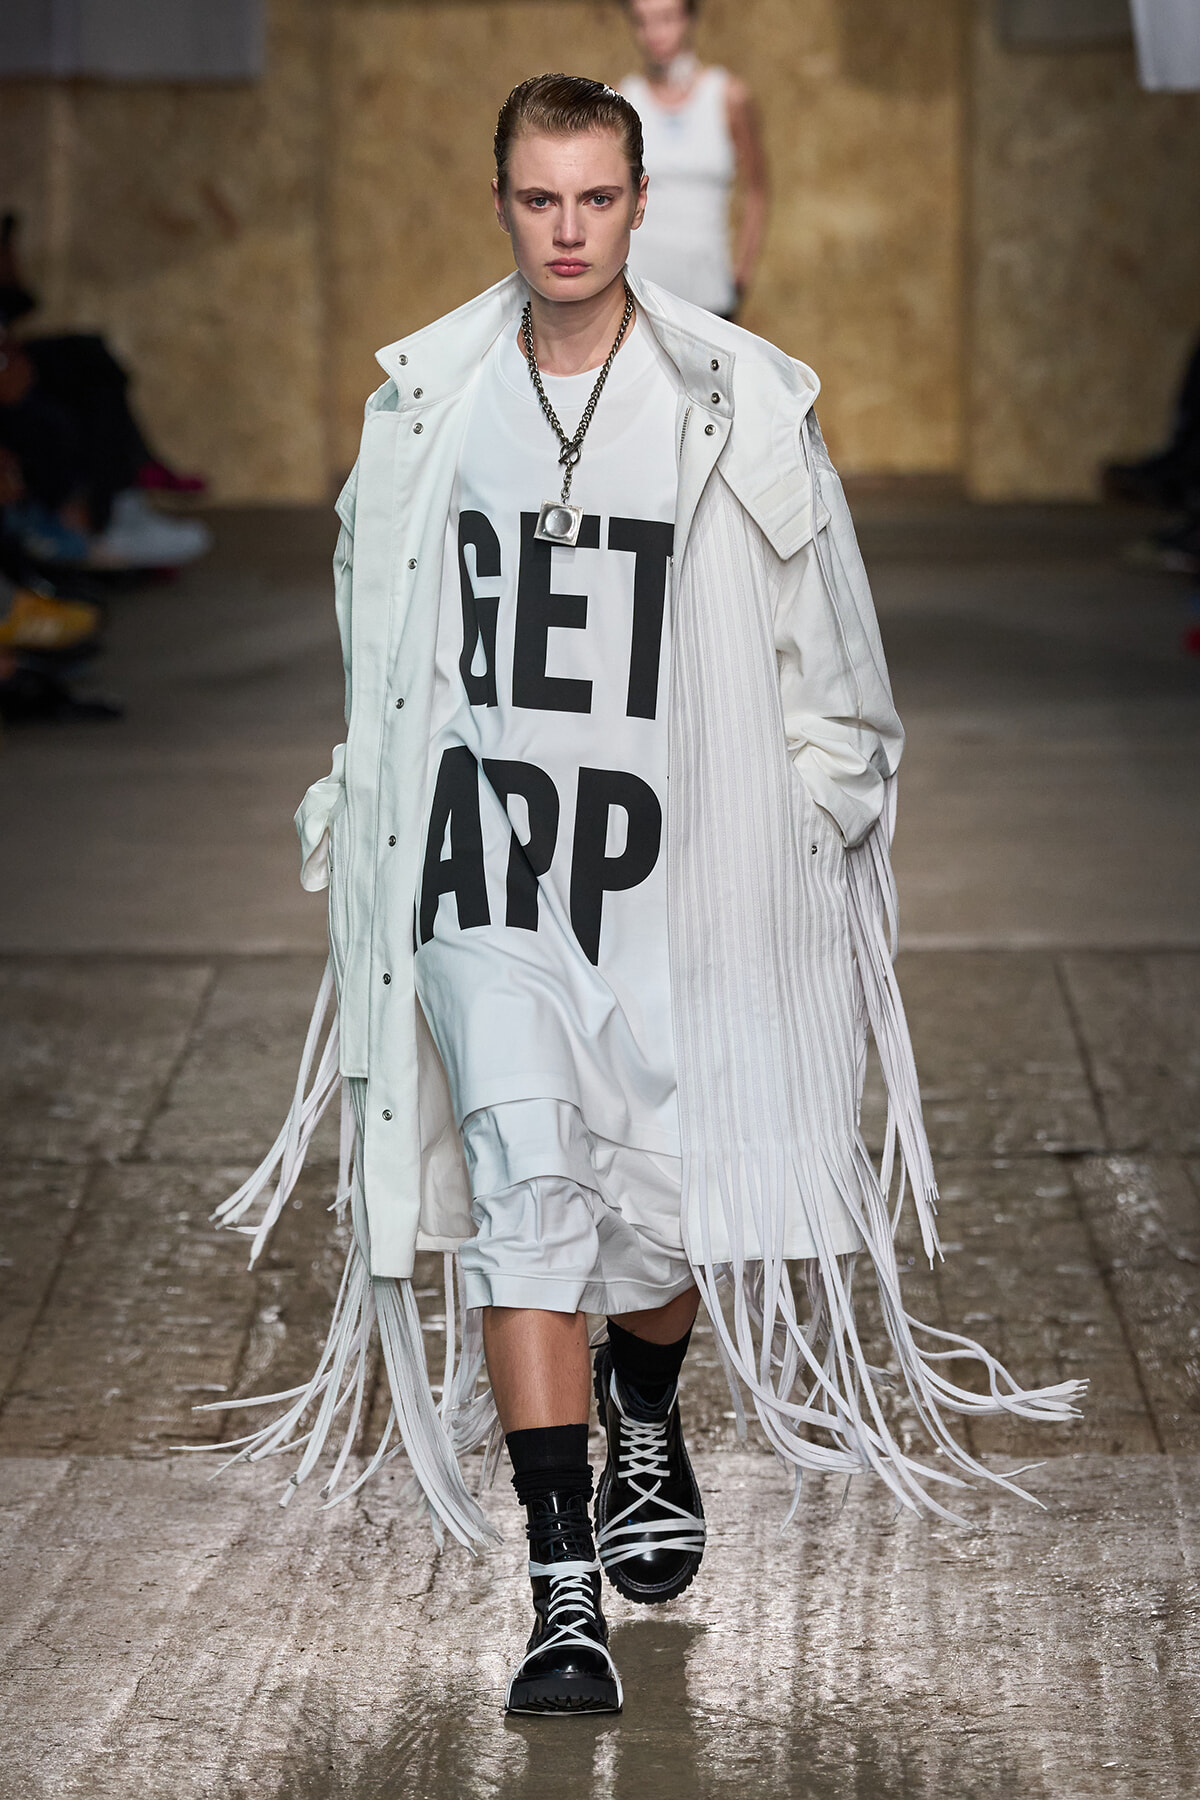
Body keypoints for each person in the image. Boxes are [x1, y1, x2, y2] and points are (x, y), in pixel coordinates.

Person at [207, 74, 1084, 1719]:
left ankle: (650, 1411)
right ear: (503, 203)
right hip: (488, 859)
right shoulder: (431, 402)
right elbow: (380, 617)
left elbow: (825, 627)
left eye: (594, 199)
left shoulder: (727, 399)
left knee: (659, 1211)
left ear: (635, 203)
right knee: (529, 1187)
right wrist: (368, 788)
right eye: (538, 199)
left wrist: (821, 809)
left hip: (668, 860)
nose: (566, 229)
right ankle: (558, 1591)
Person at [619, 0, 767, 318]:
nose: (654, 33)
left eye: (666, 18)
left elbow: (757, 188)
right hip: (640, 299)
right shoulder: (623, 100)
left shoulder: (728, 95)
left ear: (689, 17)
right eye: (642, 22)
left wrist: (742, 272)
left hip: (711, 299)